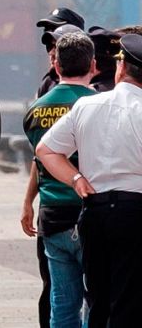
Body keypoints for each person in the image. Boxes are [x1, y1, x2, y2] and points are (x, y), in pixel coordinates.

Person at [35, 33, 142, 328]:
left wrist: (76, 178)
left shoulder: (87, 106)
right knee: (129, 301)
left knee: (96, 301)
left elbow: (46, 150)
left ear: (121, 68)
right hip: (135, 212)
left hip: (94, 211)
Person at [22, 30, 96, 328]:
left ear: (56, 66)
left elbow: (39, 160)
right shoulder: (99, 106)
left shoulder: (35, 110)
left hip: (51, 216)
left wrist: (28, 202)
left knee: (62, 305)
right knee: (97, 299)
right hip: (92, 212)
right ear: (93, 65)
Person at [36, 8, 86, 97]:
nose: (52, 52)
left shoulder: (91, 79)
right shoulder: (48, 83)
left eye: (58, 44)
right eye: (49, 45)